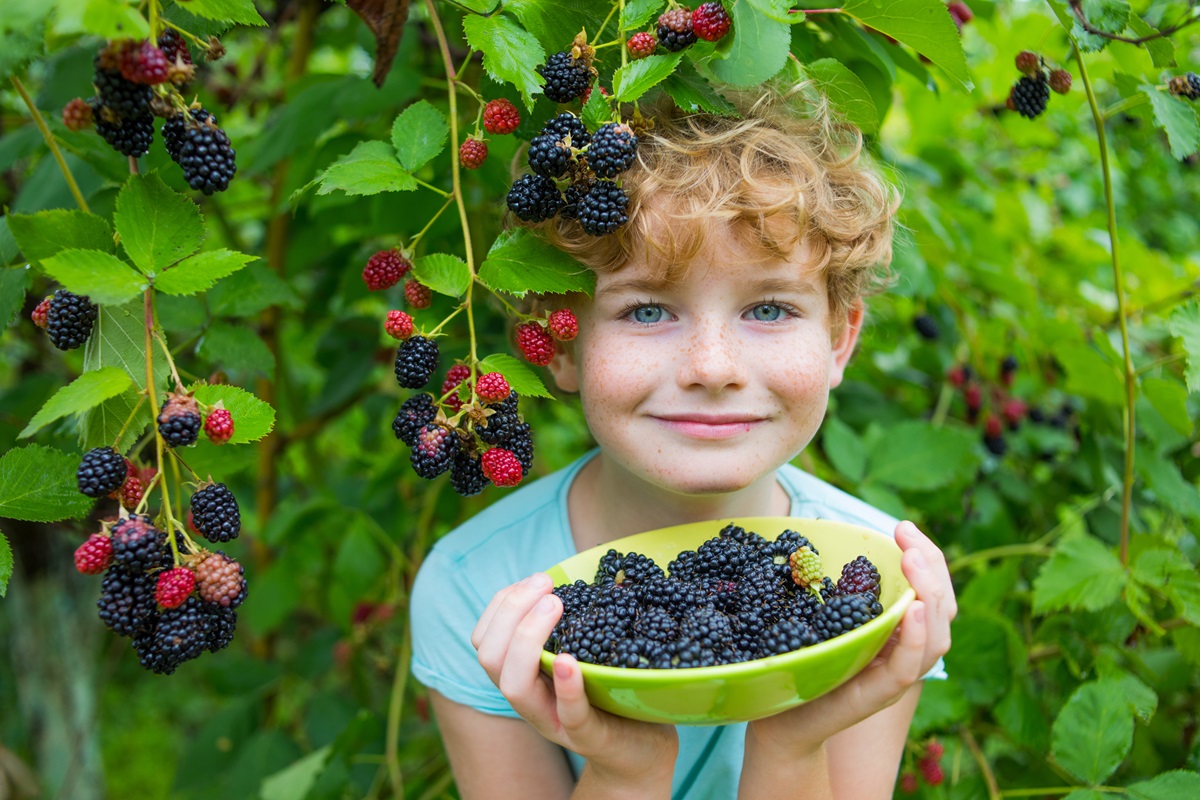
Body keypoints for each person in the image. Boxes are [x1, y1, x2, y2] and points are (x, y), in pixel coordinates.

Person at [409, 81, 957, 799]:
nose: (711, 369)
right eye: (645, 312)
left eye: (767, 308)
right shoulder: (476, 587)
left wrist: (795, 741)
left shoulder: (881, 587)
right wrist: (622, 774)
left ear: (838, 338)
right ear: (558, 344)